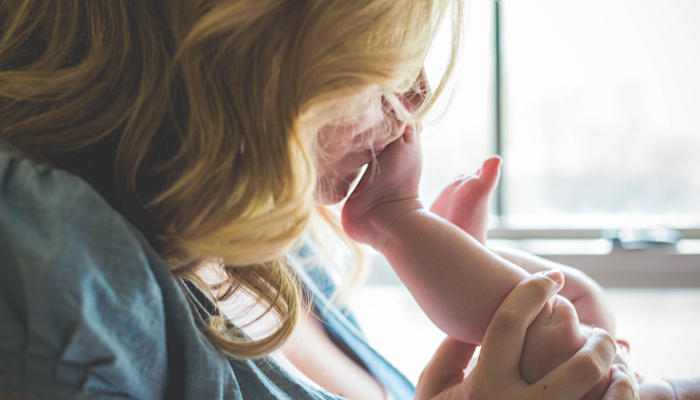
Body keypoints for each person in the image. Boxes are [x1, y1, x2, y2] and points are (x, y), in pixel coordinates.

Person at [0, 0, 634, 399]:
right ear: (259, 36)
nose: (415, 100)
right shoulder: (48, 265)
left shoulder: (253, 216)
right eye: (386, 57)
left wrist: (449, 263)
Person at [342, 128, 699, 400]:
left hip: (624, 387)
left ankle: (392, 218)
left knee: (547, 321)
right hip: (635, 379)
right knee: (585, 300)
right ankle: (469, 259)